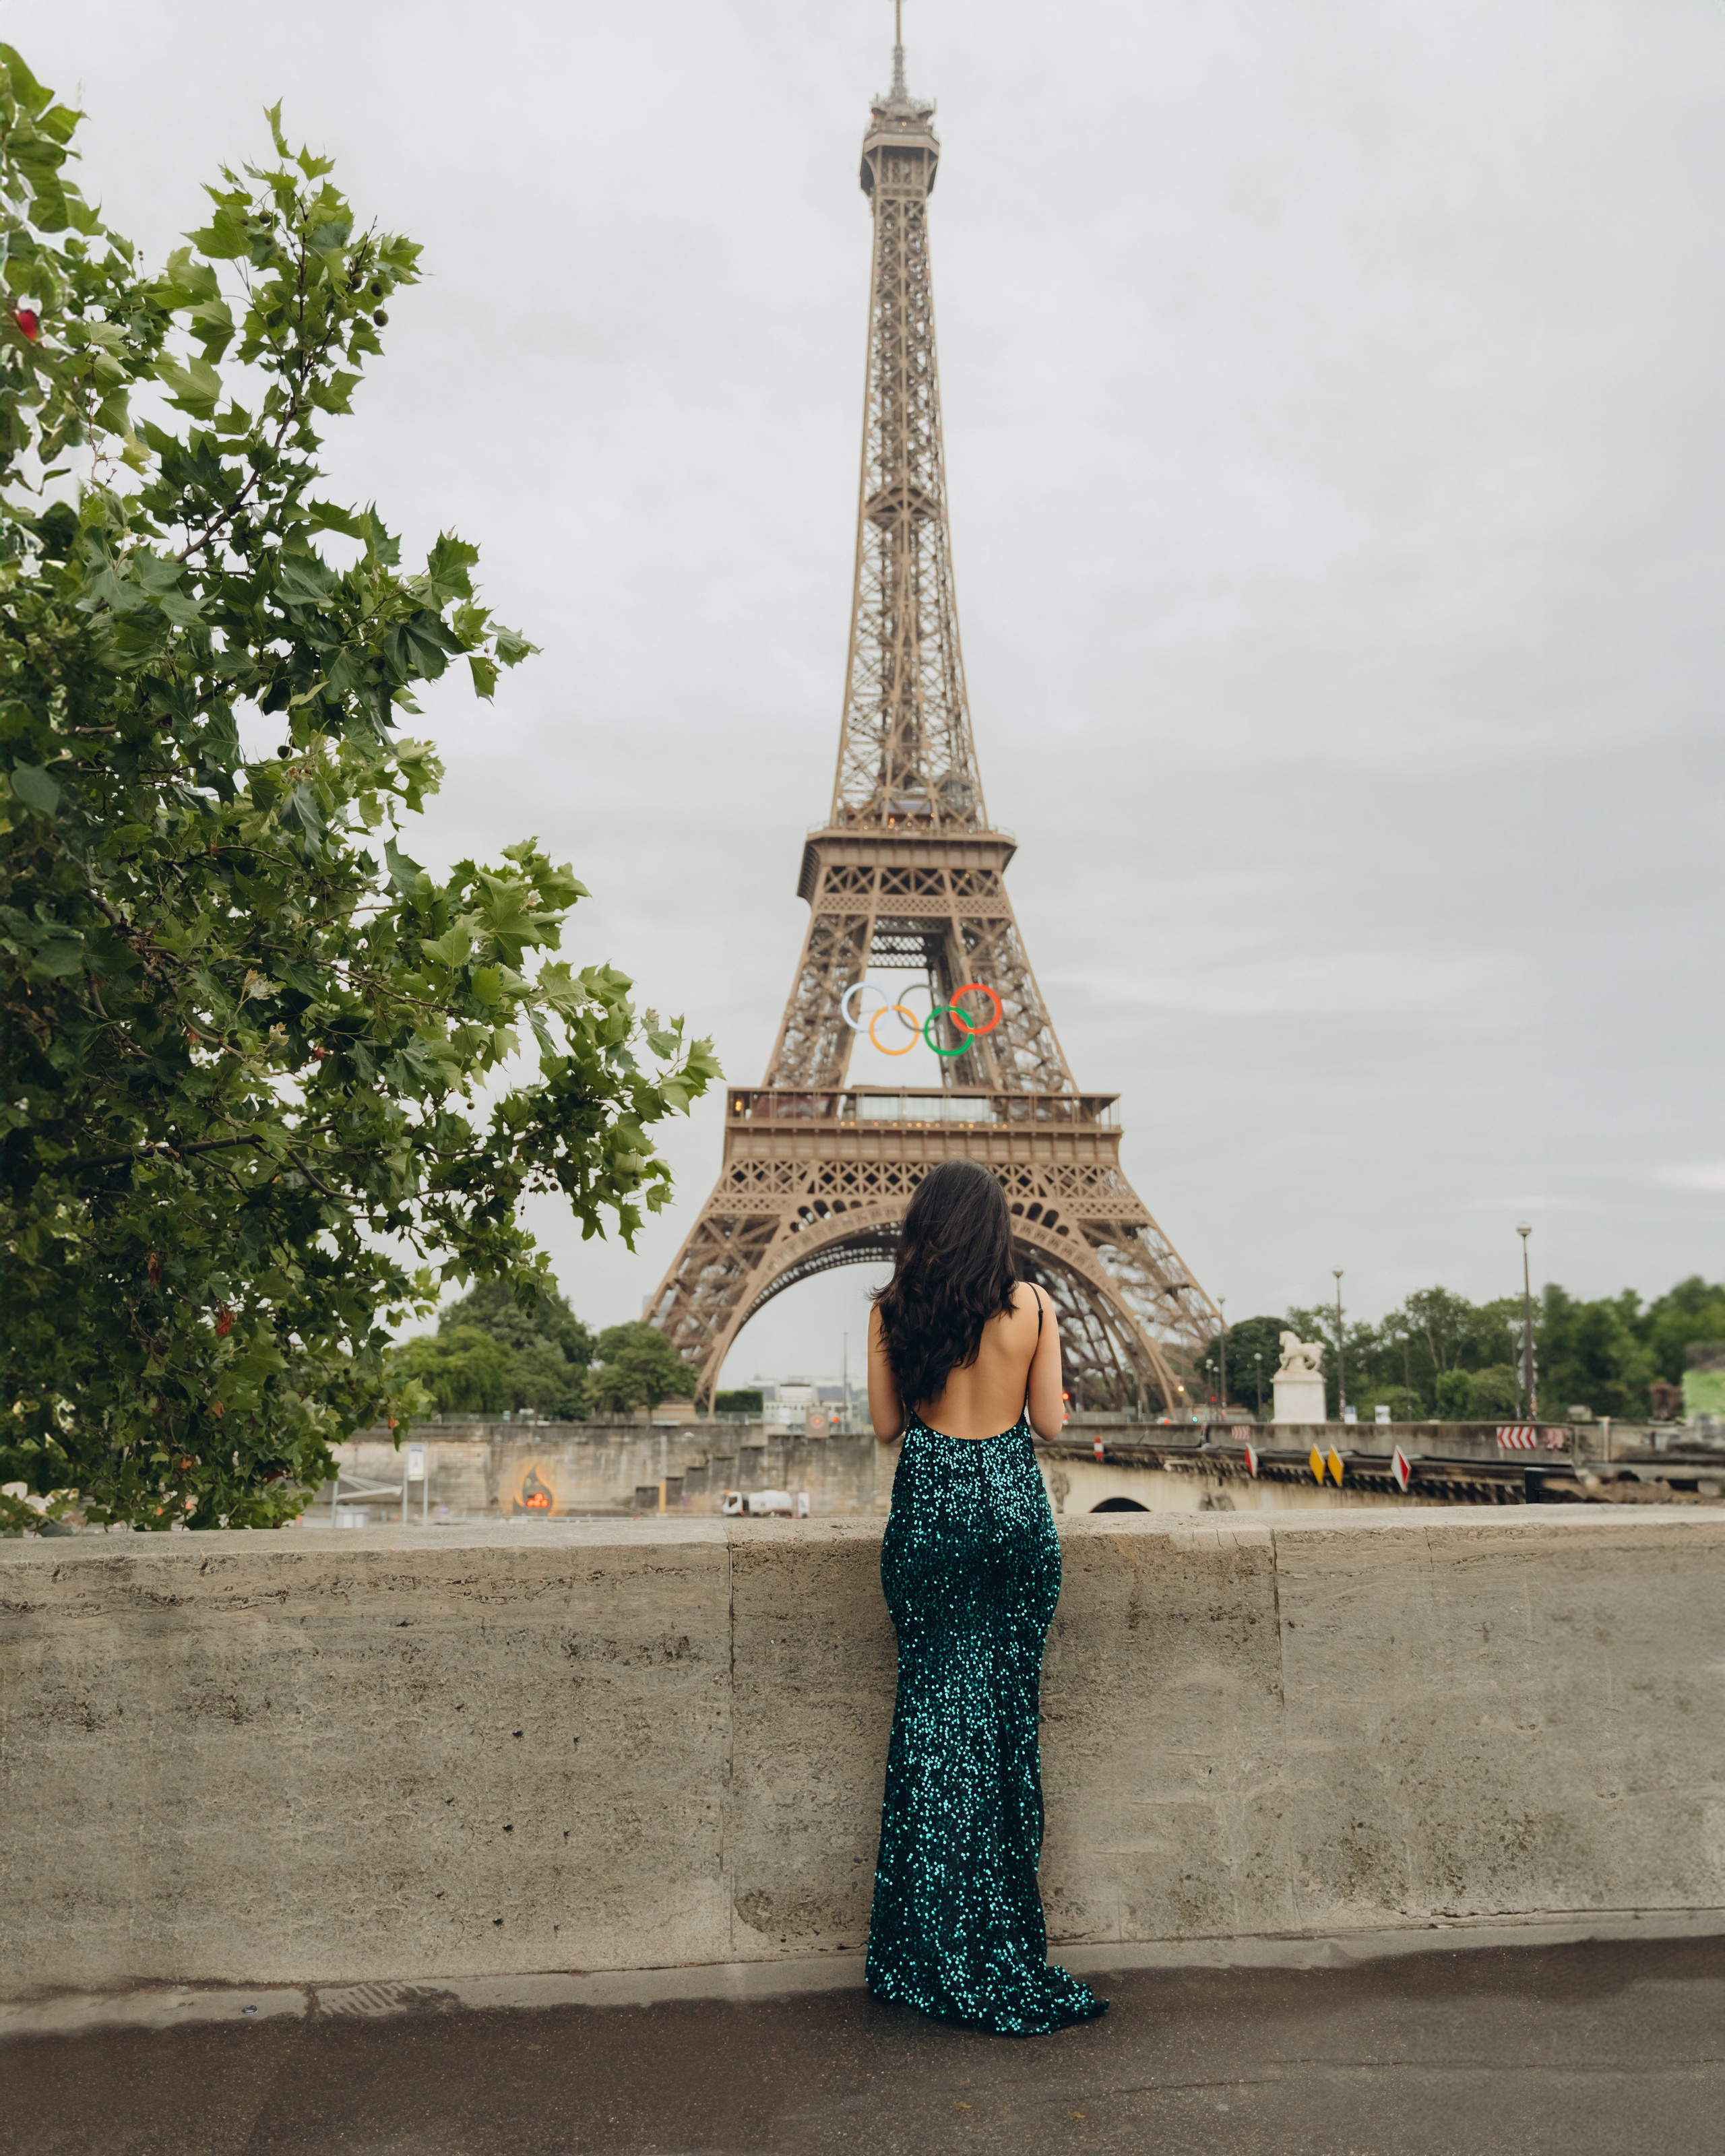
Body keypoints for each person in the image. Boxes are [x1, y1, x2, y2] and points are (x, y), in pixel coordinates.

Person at [863, 1158, 1107, 2036]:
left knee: (931, 1719)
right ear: (999, 1229)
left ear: (923, 1229)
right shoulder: (1033, 1307)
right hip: (1009, 1514)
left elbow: (889, 1428)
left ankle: (926, 1943)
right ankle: (1000, 1937)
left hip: (930, 1514)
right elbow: (1052, 1424)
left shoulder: (891, 1312)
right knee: (1003, 1723)